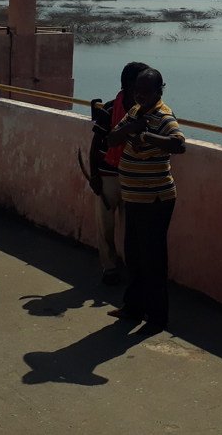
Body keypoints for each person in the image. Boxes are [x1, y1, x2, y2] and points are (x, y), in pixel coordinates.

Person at [104, 67, 185, 331]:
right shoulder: (135, 112)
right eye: (136, 91)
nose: (139, 96)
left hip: (156, 200)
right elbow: (112, 139)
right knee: (134, 257)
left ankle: (157, 317)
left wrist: (147, 135)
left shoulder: (163, 116)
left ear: (159, 91)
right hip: (134, 197)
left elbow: (178, 144)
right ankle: (133, 308)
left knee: (153, 260)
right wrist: (132, 126)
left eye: (146, 92)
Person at [87, 61, 150, 286]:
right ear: (129, 84)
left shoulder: (148, 110)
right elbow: (96, 144)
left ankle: (130, 266)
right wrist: (94, 176)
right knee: (106, 225)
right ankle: (109, 267)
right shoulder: (111, 109)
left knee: (131, 227)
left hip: (134, 175)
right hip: (108, 175)